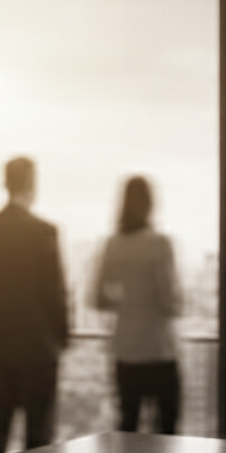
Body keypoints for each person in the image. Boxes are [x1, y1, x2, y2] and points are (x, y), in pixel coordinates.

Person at [0, 156, 69, 453]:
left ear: (6, 182)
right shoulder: (43, 231)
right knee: (38, 432)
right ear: (31, 184)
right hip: (38, 345)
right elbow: (54, 292)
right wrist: (60, 338)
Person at [93, 175, 182, 434]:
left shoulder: (113, 244)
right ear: (151, 204)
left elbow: (98, 298)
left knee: (128, 427)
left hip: (126, 349)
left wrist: (126, 302)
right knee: (167, 433)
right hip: (159, 348)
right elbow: (170, 302)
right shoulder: (160, 244)